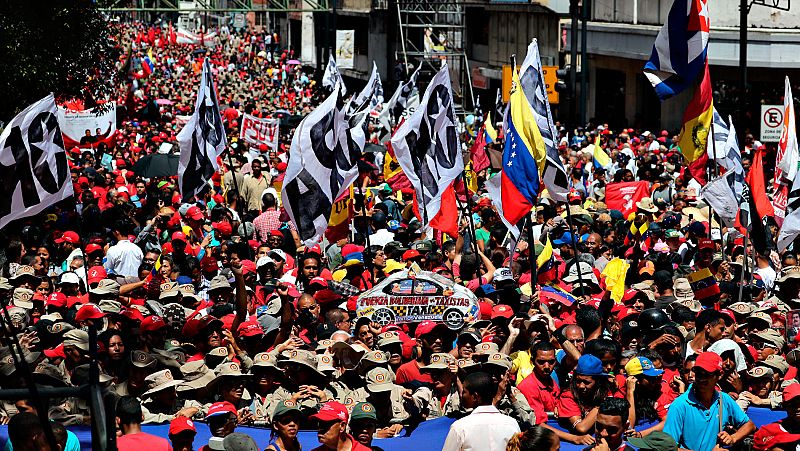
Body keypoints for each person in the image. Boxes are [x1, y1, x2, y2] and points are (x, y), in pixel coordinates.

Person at [663, 352, 755, 451]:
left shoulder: (724, 399)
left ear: (719, 375)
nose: (701, 378)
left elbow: (749, 425)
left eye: (707, 374)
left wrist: (732, 438)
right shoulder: (680, 405)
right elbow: (667, 448)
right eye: (698, 373)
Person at [442, 372, 520, 451]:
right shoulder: (512, 424)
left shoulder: (460, 427)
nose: (462, 395)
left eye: (465, 392)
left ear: (475, 396)